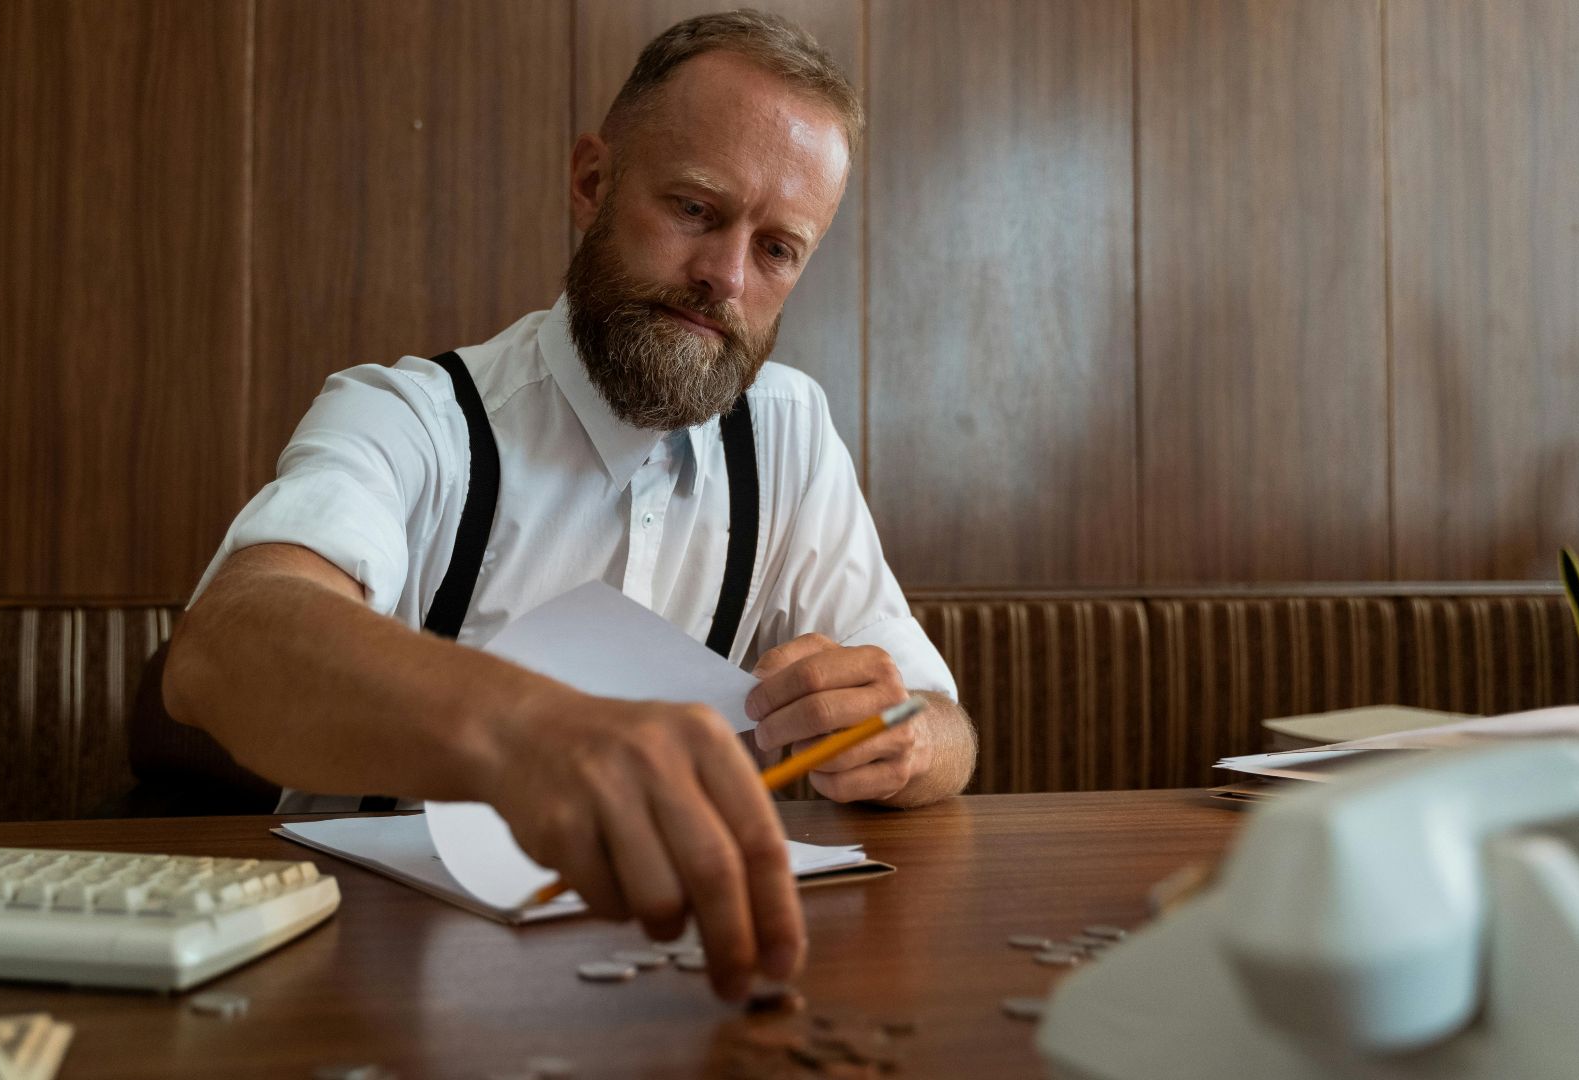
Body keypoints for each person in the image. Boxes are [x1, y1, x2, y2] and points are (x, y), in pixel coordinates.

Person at [163, 10, 976, 1002]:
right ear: (592, 181)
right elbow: (225, 650)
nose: (725, 275)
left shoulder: (788, 429)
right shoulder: (412, 416)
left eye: (778, 250)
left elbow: (944, 725)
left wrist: (902, 741)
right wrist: (530, 733)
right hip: (366, 988)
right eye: (693, 208)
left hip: (670, 990)